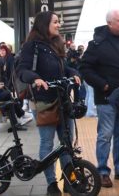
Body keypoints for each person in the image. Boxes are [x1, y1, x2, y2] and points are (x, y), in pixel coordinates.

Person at [16, 11, 81, 196]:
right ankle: (51, 183)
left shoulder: (56, 44)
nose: (58, 25)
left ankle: (70, 180)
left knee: (66, 142)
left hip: (63, 101)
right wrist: (35, 79)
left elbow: (64, 68)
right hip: (44, 102)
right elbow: (22, 70)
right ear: (45, 24)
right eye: (55, 22)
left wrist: (74, 73)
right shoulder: (31, 46)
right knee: (47, 142)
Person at [79, 8, 119, 187]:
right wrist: (103, 85)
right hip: (106, 98)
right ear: (110, 23)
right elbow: (84, 68)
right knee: (105, 135)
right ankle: (102, 171)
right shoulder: (97, 43)